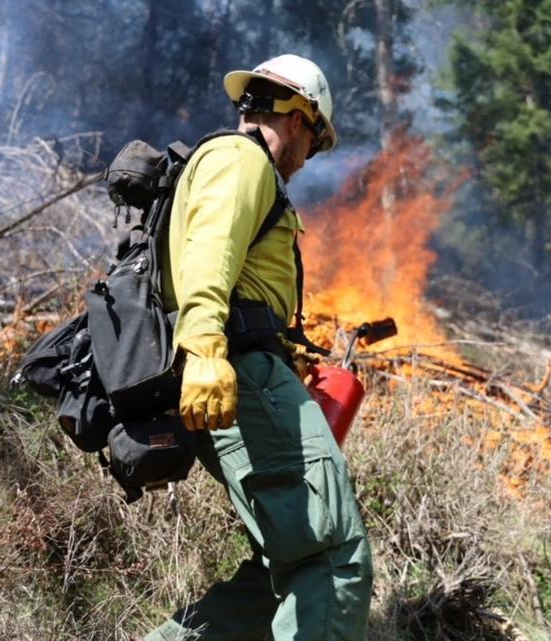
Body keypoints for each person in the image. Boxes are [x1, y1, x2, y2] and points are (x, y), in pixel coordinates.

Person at [143, 54, 374, 641]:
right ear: (298, 120)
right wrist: (206, 351)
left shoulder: (226, 162)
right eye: (314, 143)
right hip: (237, 372)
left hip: (237, 372)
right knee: (328, 559)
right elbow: (211, 253)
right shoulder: (242, 159)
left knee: (280, 568)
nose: (307, 159)